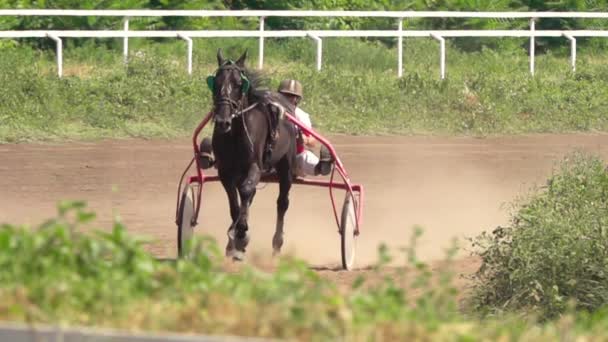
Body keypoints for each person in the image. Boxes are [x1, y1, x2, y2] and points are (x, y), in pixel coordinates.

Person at [277, 79, 333, 177]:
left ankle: (322, 166)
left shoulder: (301, 116)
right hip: (272, 157)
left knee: (305, 157)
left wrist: (305, 140)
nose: (288, 99)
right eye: (285, 95)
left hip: (294, 158)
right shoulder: (270, 112)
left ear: (297, 99)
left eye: (292, 96)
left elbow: (312, 142)